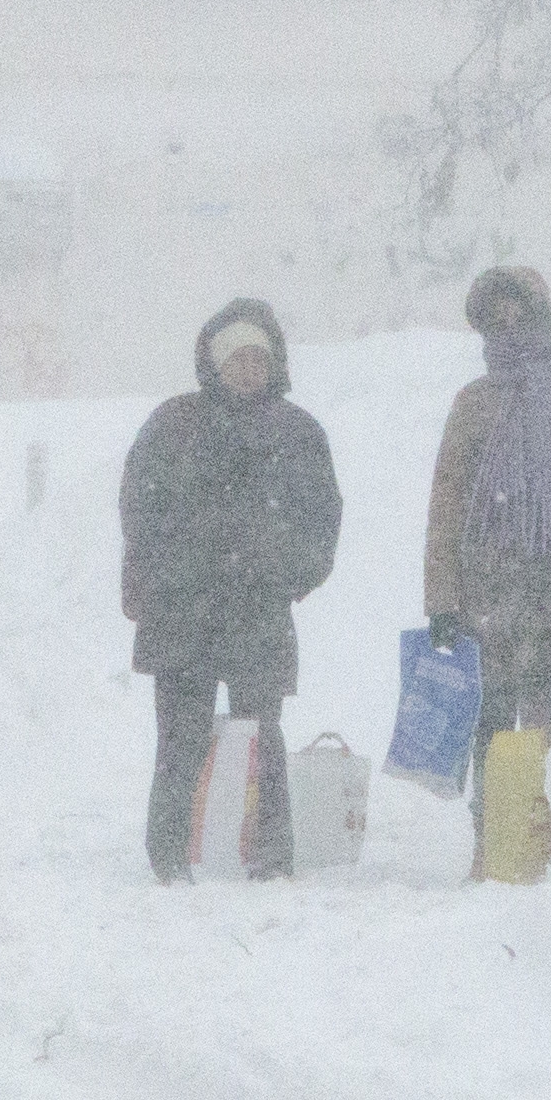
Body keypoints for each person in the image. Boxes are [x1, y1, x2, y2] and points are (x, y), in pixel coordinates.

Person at [419, 266, 551, 886]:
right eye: (496, 317)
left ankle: (538, 848)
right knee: (489, 728)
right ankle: (491, 846)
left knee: (549, 726)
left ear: (539, 318)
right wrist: (443, 598)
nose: (508, 326)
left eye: (519, 313)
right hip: (487, 595)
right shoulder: (474, 403)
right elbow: (448, 504)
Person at [118, 297, 342, 881]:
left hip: (257, 611)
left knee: (262, 734)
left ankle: (272, 856)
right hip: (181, 611)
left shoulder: (297, 433)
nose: (247, 369)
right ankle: (168, 858)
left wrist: (286, 574)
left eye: (257, 358)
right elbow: (138, 507)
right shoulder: (174, 425)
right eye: (235, 359)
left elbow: (322, 521)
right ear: (213, 365)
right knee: (180, 738)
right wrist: (158, 576)